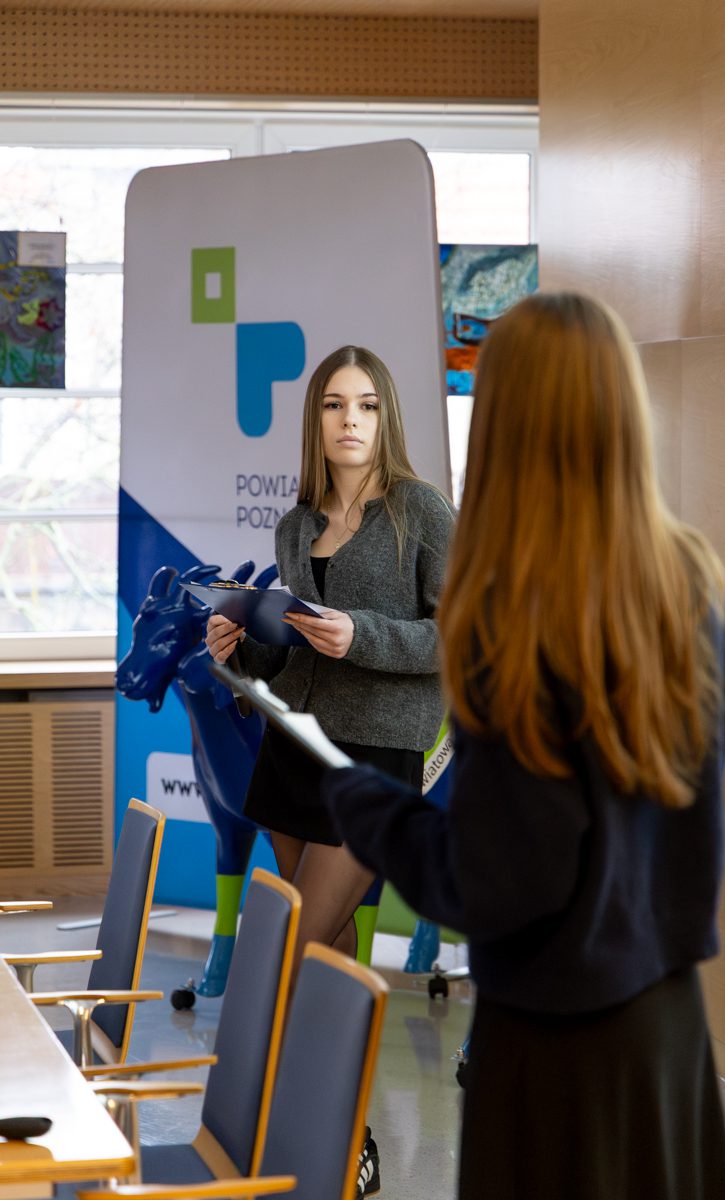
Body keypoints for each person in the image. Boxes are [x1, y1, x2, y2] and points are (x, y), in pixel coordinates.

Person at [322, 293, 725, 1200]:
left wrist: (364, 804)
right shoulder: (694, 588)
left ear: (501, 427)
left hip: (554, 1051)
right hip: (669, 1033)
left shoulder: (517, 616)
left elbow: (495, 883)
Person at [206, 344, 454, 1196]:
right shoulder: (295, 522)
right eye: (334, 405)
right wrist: (239, 651)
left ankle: (302, 1125)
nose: (351, 421)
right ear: (315, 419)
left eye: (367, 405)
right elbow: (291, 660)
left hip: (376, 758)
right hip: (294, 751)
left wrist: (364, 636)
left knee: (296, 946)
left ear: (386, 417)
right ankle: (344, 1140)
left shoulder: (422, 512)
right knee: (333, 947)